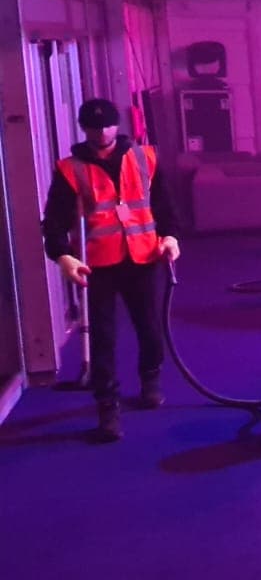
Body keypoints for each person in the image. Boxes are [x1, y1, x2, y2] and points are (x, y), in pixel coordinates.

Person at [41, 98, 182, 442]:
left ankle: (151, 377)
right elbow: (55, 220)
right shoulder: (70, 169)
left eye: (106, 125)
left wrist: (171, 237)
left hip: (143, 256)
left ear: (118, 126)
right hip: (98, 264)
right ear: (83, 128)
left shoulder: (145, 157)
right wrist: (62, 256)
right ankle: (107, 405)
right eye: (93, 126)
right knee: (103, 338)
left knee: (149, 326)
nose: (101, 132)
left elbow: (163, 204)